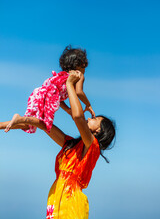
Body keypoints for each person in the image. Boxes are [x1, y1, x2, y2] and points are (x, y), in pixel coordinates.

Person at [1, 70, 116, 218]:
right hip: (55, 199)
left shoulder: (92, 146)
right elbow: (43, 125)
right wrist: (5, 124)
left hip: (72, 203)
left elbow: (78, 116)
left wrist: (69, 84)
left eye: (94, 119)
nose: (89, 119)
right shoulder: (70, 144)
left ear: (99, 130)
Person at [0, 45, 95, 134]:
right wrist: (88, 104)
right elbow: (79, 92)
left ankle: (2, 125)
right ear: (82, 63)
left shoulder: (62, 77)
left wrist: (67, 110)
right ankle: (19, 118)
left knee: (29, 125)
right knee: (44, 125)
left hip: (39, 93)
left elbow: (57, 98)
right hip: (47, 96)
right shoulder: (78, 75)